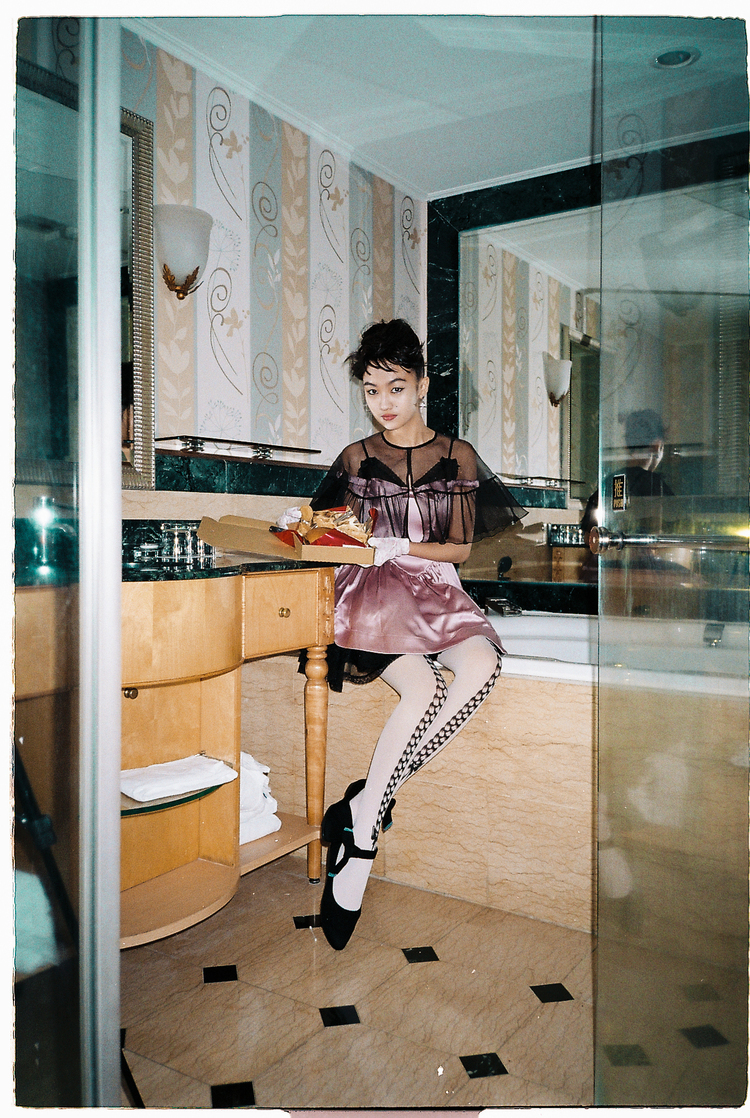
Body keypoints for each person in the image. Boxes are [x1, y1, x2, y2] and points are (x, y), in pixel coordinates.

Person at [279, 319, 526, 950]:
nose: (383, 403)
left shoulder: (456, 455)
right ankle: (361, 844)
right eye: (371, 391)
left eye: (395, 387)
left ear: (421, 385)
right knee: (423, 691)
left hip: (435, 584)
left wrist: (405, 544)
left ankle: (364, 804)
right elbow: (327, 529)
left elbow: (461, 548)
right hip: (374, 591)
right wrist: (302, 524)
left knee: (482, 666)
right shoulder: (356, 458)